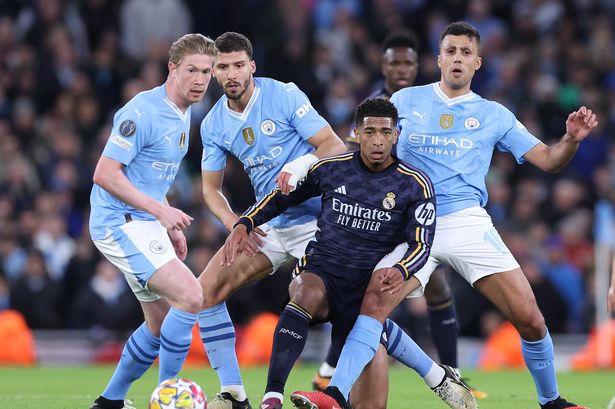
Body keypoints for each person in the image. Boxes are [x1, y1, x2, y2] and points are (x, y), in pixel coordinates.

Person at [291, 21, 597, 409]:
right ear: (437, 59)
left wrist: (569, 139)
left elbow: (550, 161)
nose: (457, 58)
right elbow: (363, 152)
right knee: (372, 304)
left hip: (467, 222)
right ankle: (334, 393)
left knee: (530, 318)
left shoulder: (495, 114)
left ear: (478, 63)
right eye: (450, 51)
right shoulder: (404, 102)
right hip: (410, 224)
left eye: (465, 53)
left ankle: (551, 401)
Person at [224, 98, 474, 409]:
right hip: (322, 270)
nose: (378, 140)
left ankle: (437, 376)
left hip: (367, 287)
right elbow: (281, 199)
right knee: (305, 294)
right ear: (356, 133)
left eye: (385, 132)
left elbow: (422, 243)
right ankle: (272, 397)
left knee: (371, 403)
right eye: (369, 132)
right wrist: (246, 221)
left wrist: (402, 270)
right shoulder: (332, 169)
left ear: (397, 134)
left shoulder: (414, 184)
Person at [316, 31, 483, 400]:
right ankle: (436, 376)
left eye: (409, 62)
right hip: (371, 208)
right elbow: (347, 149)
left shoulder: (426, 100)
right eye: (396, 62)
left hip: (409, 205)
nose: (403, 69)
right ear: (384, 66)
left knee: (397, 295)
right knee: (365, 301)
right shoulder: (377, 104)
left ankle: (447, 372)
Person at [197, 31, 346, 409]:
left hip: (319, 221)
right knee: (203, 294)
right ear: (214, 72)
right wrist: (235, 222)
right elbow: (210, 191)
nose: (231, 73)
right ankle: (233, 393)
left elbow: (333, 146)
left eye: (237, 65)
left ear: (252, 67)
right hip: (269, 226)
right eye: (223, 67)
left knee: (338, 306)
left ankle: (339, 388)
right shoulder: (213, 123)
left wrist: (298, 166)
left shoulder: (283, 95)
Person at [88, 33, 216, 409]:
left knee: (160, 326)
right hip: (118, 222)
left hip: (145, 223)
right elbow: (105, 173)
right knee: (191, 296)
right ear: (172, 69)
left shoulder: (184, 110)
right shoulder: (141, 112)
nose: (200, 79)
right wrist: (161, 212)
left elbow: (151, 177)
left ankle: (109, 402)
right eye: (191, 70)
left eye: (207, 72)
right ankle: (168, 399)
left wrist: (167, 224)